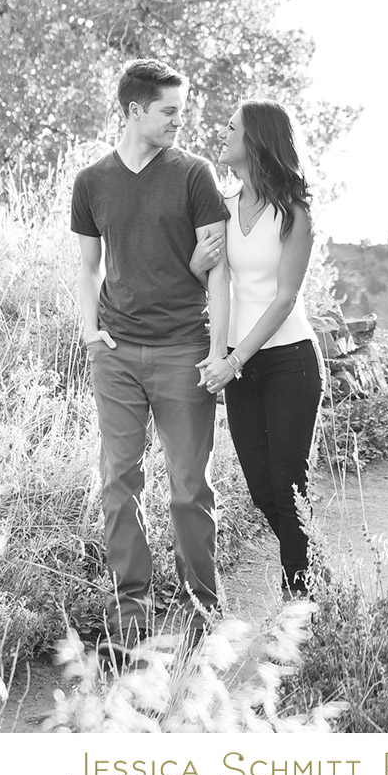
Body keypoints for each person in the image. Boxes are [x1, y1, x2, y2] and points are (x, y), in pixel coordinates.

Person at [70, 58, 231, 653]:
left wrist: (218, 348)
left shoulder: (194, 175)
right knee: (119, 481)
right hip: (114, 353)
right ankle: (130, 611)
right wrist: (90, 330)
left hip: (183, 349)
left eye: (180, 112)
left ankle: (202, 610)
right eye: (169, 112)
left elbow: (217, 272)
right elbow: (88, 268)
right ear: (135, 110)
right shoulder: (91, 182)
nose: (178, 122)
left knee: (190, 486)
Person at [192, 99, 322, 600]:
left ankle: (298, 602)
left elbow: (285, 297)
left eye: (232, 128)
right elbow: (214, 281)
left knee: (289, 488)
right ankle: (311, 572)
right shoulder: (221, 209)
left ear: (257, 142)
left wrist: (234, 359)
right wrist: (218, 353)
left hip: (289, 362)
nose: (222, 134)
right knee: (262, 490)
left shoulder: (294, 213)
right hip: (237, 363)